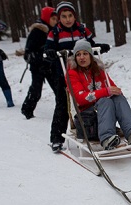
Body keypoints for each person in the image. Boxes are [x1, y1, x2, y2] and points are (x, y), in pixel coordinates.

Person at [44, 1, 110, 152]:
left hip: (84, 75)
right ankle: (56, 139)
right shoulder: (55, 32)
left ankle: (96, 130)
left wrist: (100, 47)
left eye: (70, 16)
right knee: (62, 105)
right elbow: (48, 48)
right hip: (63, 75)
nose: (67, 19)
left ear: (74, 16)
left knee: (92, 101)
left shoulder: (82, 30)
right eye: (64, 16)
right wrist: (50, 52)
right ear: (59, 18)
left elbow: (90, 46)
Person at [67, 39, 131, 150]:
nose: (82, 57)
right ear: (75, 58)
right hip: (86, 115)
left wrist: (115, 93)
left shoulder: (98, 70)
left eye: (85, 54)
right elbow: (80, 98)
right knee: (105, 100)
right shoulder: (72, 73)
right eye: (78, 54)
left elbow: (112, 88)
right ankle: (107, 138)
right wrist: (106, 92)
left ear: (90, 55)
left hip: (102, 109)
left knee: (118, 98)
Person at [21, 7, 58, 120]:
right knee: (36, 90)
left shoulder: (55, 30)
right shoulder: (37, 31)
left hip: (51, 65)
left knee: (59, 89)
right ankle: (27, 110)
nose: (55, 21)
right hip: (38, 67)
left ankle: (64, 110)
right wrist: (40, 56)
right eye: (53, 18)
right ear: (47, 18)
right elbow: (28, 52)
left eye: (56, 19)